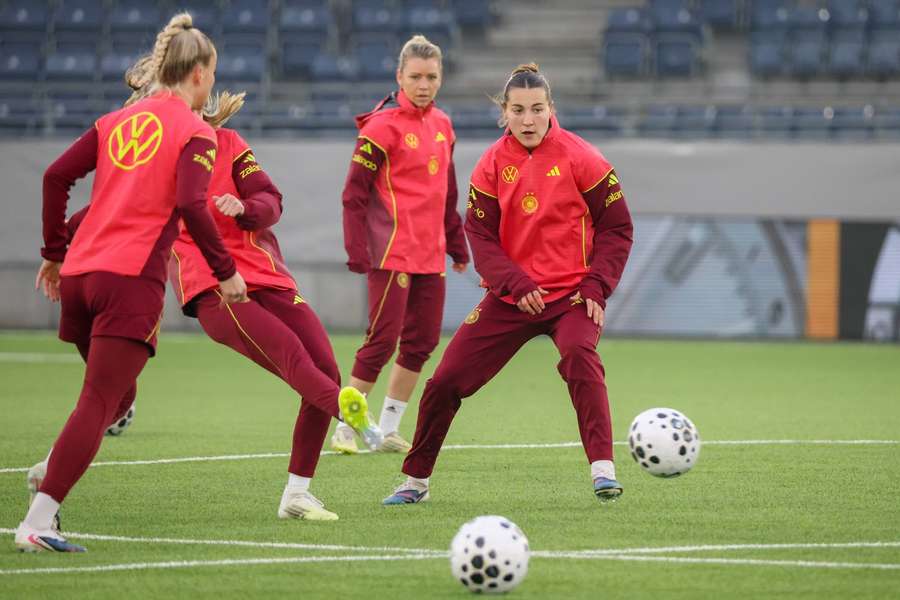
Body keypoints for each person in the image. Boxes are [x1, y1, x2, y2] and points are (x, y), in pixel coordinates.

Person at [15, 13, 250, 553]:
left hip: (79, 278)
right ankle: (39, 521)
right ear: (198, 74)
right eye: (212, 74)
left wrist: (54, 254)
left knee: (114, 397)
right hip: (129, 280)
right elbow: (192, 205)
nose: (212, 85)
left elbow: (56, 177)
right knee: (100, 400)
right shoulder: (196, 130)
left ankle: (56, 462)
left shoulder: (115, 121)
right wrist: (226, 272)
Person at [382, 64, 634, 505]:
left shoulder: (584, 157)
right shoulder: (492, 164)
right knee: (443, 382)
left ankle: (603, 471)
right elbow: (479, 234)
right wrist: (514, 283)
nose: (528, 120)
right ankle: (414, 481)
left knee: (579, 354)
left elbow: (617, 229)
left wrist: (596, 286)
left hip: (573, 297)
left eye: (537, 109)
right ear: (505, 113)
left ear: (551, 108)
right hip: (511, 298)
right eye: (518, 110)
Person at [167, 94, 382, 520]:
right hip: (213, 284)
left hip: (267, 275)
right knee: (292, 356)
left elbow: (270, 199)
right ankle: (352, 416)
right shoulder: (159, 158)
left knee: (327, 371)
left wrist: (246, 207)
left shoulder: (229, 143)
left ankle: (296, 496)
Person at [333, 34, 470, 455]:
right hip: (391, 253)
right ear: (399, 77)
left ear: (441, 78)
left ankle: (387, 428)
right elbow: (353, 194)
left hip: (430, 255)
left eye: (431, 76)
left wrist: (457, 243)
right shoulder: (380, 128)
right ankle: (343, 428)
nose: (423, 84)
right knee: (381, 341)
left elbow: (447, 192)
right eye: (415, 76)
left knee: (422, 342)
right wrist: (357, 249)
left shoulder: (444, 126)